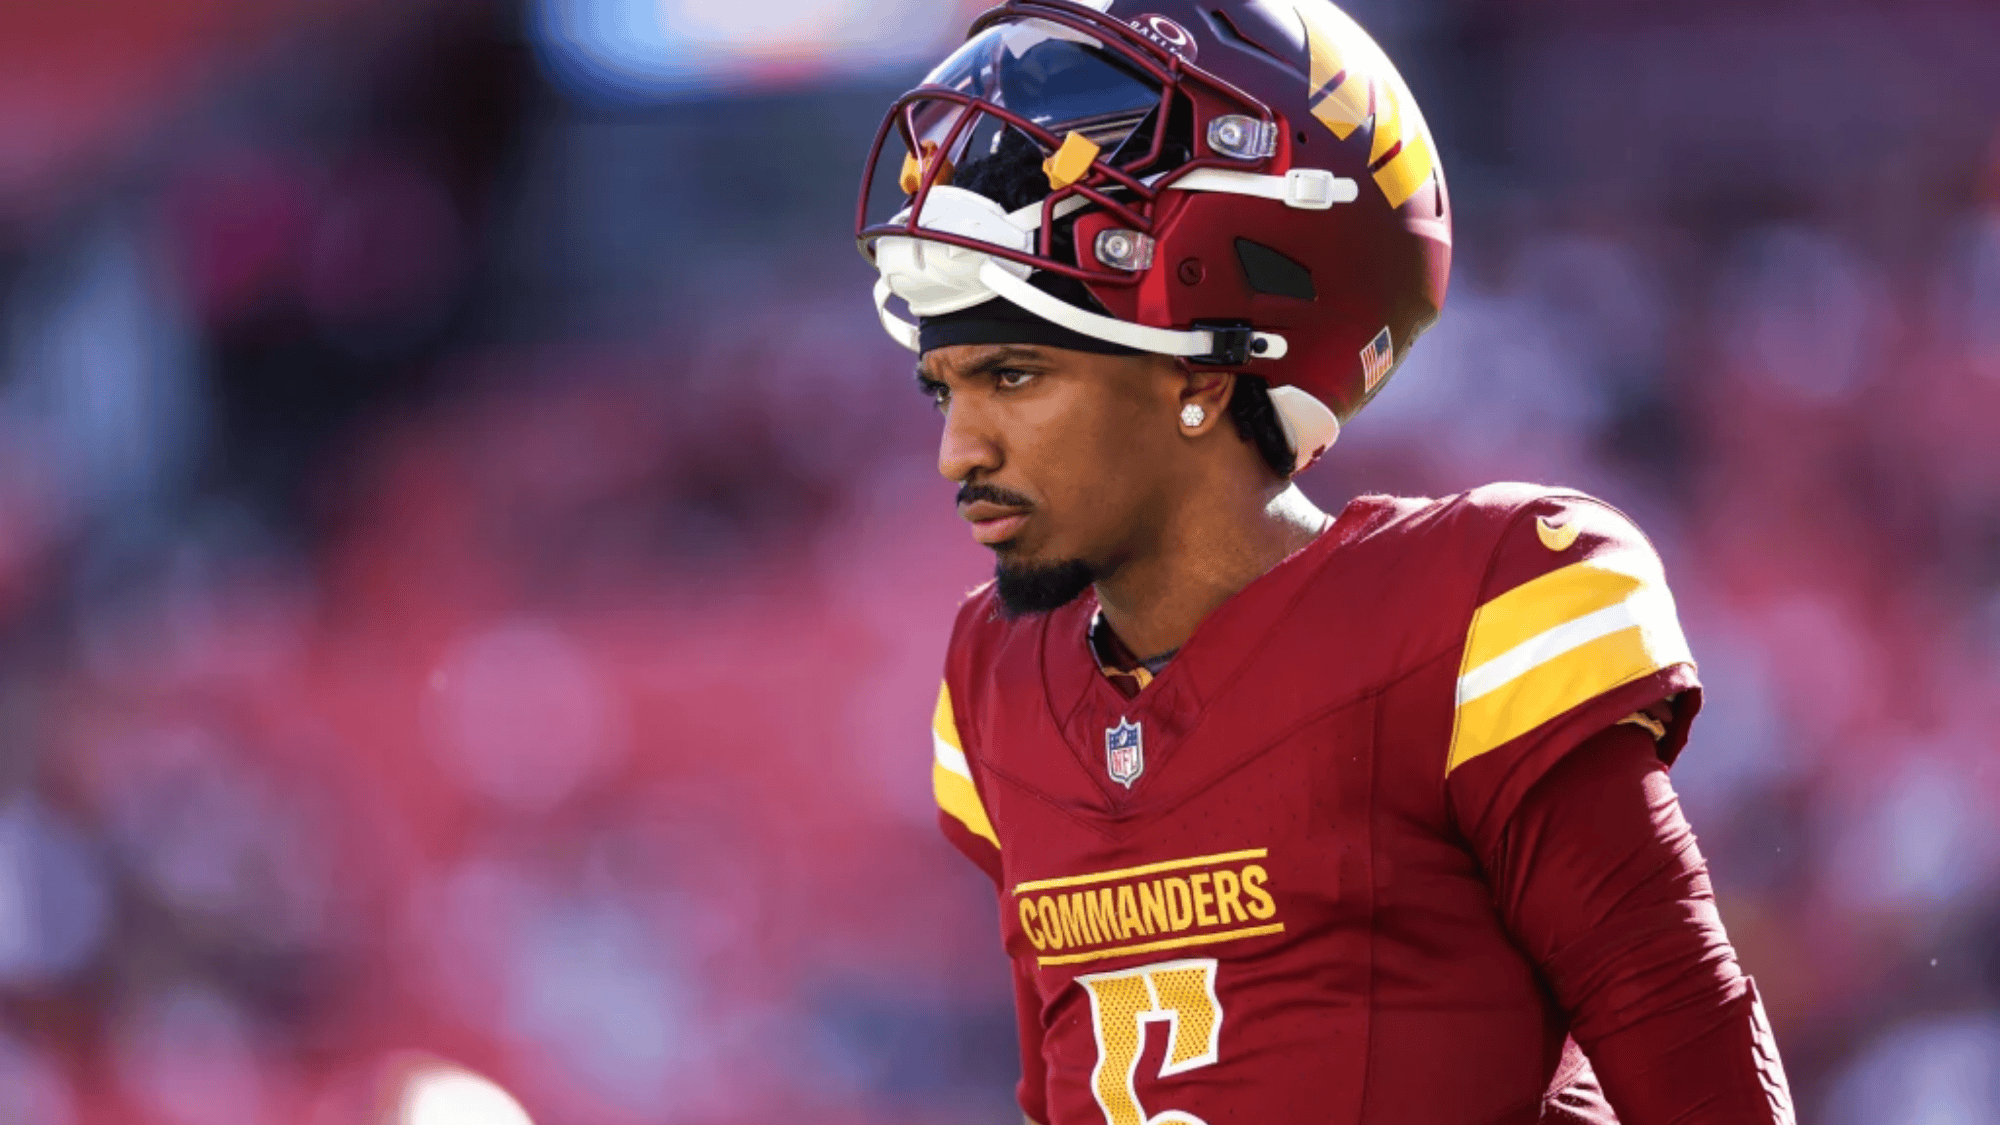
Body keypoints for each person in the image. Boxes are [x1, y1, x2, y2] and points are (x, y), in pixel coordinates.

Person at [854, 2, 1794, 1122]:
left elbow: (1689, 1060)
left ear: (1201, 377)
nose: (958, 447)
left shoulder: (1463, 606)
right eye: (941, 387)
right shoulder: (997, 680)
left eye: (1013, 375)